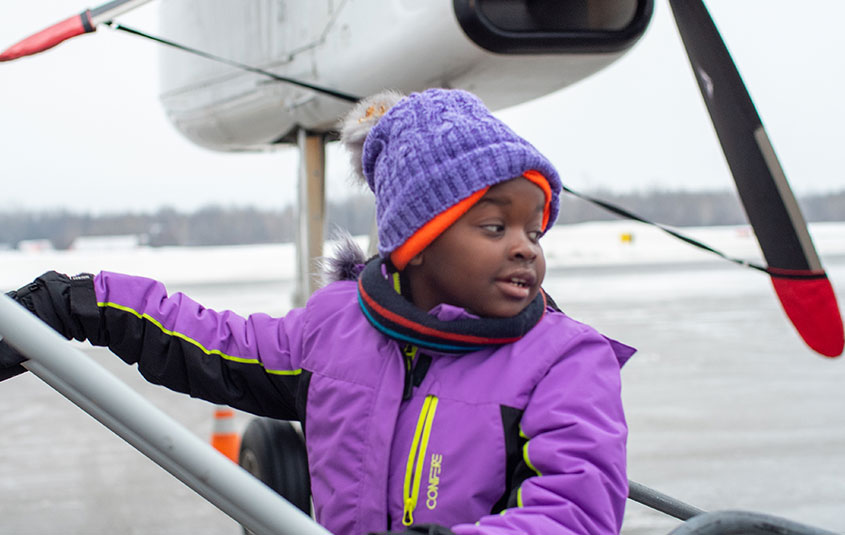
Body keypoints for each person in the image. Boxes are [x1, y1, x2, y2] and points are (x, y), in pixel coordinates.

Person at [0, 88, 634, 535]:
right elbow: (212, 342)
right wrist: (79, 304)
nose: (525, 245)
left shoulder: (564, 363)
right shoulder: (339, 331)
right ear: (417, 246)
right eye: (496, 225)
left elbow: (574, 512)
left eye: (535, 229)